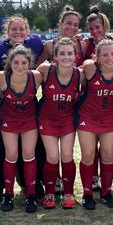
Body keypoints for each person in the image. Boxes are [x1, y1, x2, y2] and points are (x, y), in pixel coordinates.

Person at [0, 16, 45, 201]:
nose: (18, 33)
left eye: (22, 29)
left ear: (27, 31)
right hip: (3, 105)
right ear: (7, 31)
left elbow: (47, 61)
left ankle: (32, 185)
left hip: (28, 110)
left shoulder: (35, 45)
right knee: (1, 150)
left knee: (31, 151)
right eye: (14, 29)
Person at [76, 39, 113, 210]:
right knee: (88, 154)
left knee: (107, 154)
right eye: (105, 54)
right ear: (97, 56)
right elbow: (84, 67)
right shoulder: (91, 68)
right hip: (88, 116)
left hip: (108, 117)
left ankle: (106, 192)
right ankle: (87, 193)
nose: (110, 57)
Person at [37, 38, 83, 209]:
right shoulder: (45, 70)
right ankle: (49, 193)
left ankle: (68, 193)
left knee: (67, 156)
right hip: (47, 119)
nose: (66, 57)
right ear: (54, 56)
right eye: (61, 53)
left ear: (75, 56)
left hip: (67, 120)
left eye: (69, 53)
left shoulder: (80, 74)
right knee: (52, 156)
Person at [0, 46, 43, 213]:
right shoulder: (2, 77)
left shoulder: (36, 76)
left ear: (30, 63)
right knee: (11, 155)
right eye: (16, 62)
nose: (20, 66)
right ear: (10, 63)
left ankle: (31, 195)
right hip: (9, 119)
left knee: (29, 155)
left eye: (24, 62)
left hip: (29, 119)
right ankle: (8, 194)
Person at [80, 6, 113, 191]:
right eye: (92, 28)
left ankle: (106, 185)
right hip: (89, 99)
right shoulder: (86, 44)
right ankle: (92, 179)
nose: (95, 31)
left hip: (108, 102)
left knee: (107, 150)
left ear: (105, 26)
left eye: (98, 27)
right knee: (89, 149)